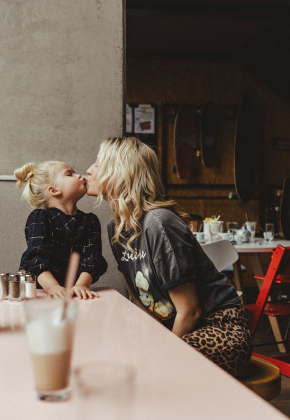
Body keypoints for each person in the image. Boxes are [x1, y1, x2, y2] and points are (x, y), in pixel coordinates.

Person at [85, 137, 252, 377]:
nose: (89, 170)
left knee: (147, 369)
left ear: (121, 172)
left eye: (98, 164)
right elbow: (139, 301)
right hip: (176, 328)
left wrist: (159, 351)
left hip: (219, 328)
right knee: (111, 353)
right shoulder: (116, 228)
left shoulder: (159, 223)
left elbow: (191, 311)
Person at [15, 161, 107, 300]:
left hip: (72, 293)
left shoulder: (90, 221)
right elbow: (36, 258)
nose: (79, 175)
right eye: (70, 174)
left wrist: (82, 285)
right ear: (54, 190)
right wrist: (52, 287)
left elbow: (92, 259)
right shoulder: (40, 217)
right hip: (40, 293)